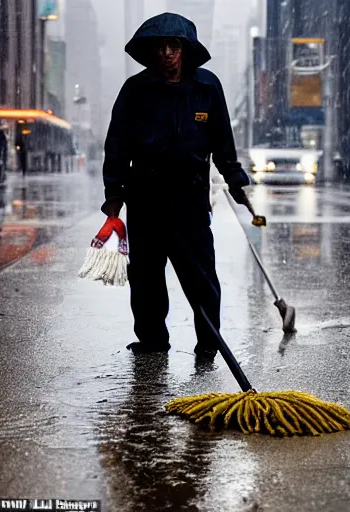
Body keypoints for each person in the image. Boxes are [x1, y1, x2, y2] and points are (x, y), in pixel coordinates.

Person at [102, 13, 251, 360]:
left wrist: (235, 180)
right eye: (161, 47)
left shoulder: (207, 88)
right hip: (145, 196)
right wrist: (114, 194)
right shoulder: (135, 90)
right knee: (146, 275)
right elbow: (116, 145)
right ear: (152, 52)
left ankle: (209, 342)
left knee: (200, 274)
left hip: (190, 197)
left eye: (174, 46)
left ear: (186, 50)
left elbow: (223, 143)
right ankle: (153, 340)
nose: (167, 53)